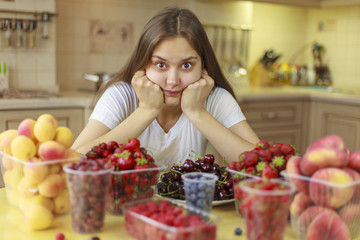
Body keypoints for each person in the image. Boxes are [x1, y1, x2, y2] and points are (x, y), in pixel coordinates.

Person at [72, 7, 260, 166]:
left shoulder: (215, 98)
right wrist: (146, 111)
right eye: (161, 65)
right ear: (144, 64)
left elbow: (261, 163)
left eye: (186, 65)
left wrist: (197, 113)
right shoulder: (121, 96)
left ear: (203, 66)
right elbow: (74, 159)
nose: (172, 81)